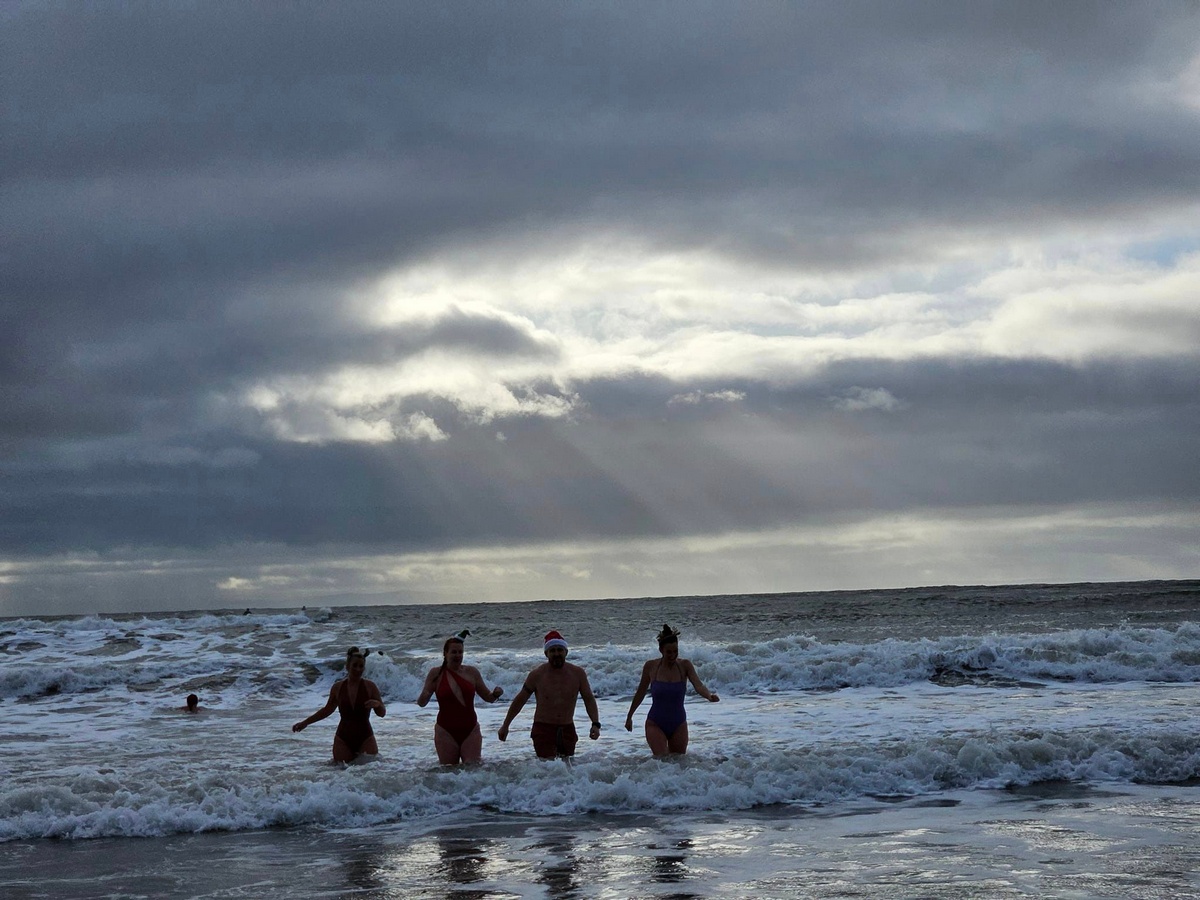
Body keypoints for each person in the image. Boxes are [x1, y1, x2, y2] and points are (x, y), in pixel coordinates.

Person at [498, 630, 601, 759]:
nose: (556, 654)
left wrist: (595, 724)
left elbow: (589, 699)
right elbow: (520, 700)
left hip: (567, 729)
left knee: (567, 769)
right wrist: (506, 725)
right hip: (543, 729)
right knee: (546, 770)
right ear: (546, 653)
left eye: (560, 650)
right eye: (552, 651)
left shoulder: (577, 674)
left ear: (566, 652)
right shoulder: (537, 675)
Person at [624, 624, 719, 756]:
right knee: (662, 761)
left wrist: (709, 696)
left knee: (678, 764)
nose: (672, 655)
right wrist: (629, 716)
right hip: (655, 723)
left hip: (679, 723)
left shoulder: (685, 665)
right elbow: (640, 692)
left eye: (675, 651)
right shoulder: (651, 666)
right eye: (669, 652)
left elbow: (698, 685)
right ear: (661, 650)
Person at [417, 629, 505, 764]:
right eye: (454, 652)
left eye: (460, 652)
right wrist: (425, 694)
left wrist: (495, 694)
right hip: (445, 730)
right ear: (445, 654)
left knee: (473, 770)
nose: (458, 655)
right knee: (448, 772)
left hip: (470, 730)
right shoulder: (436, 674)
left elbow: (488, 697)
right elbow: (422, 703)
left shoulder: (472, 672)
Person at [292, 646, 386, 762]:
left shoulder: (370, 687)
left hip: (366, 737)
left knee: (372, 772)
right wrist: (305, 723)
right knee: (340, 775)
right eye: (355, 665)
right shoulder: (338, 688)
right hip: (343, 739)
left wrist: (377, 704)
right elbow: (327, 710)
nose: (358, 669)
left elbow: (382, 713)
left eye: (361, 666)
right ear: (347, 667)